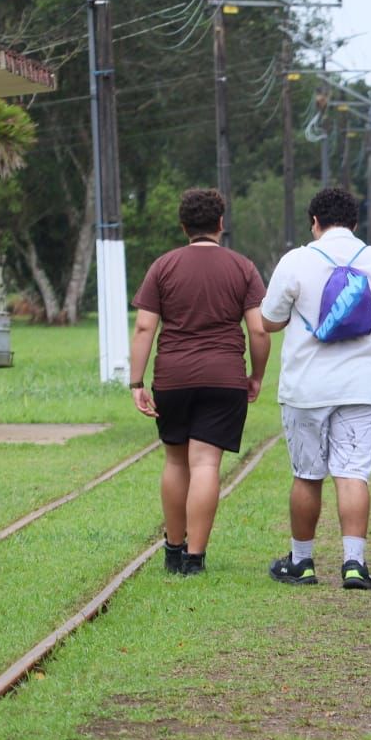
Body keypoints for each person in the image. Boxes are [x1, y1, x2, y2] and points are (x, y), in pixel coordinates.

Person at [262, 188, 371, 590]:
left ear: (315, 222)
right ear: (356, 223)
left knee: (307, 475)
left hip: (306, 386)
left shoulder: (296, 261)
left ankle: (301, 562)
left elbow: (268, 322)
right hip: (363, 386)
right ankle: (354, 564)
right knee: (353, 474)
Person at [129, 188, 268, 576]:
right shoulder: (243, 267)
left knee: (176, 460)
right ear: (221, 223)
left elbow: (144, 327)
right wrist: (256, 376)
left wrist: (136, 382)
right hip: (225, 377)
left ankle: (173, 551)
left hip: (172, 377)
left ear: (183, 226)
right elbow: (258, 330)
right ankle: (195, 558)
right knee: (206, 462)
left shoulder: (163, 266)